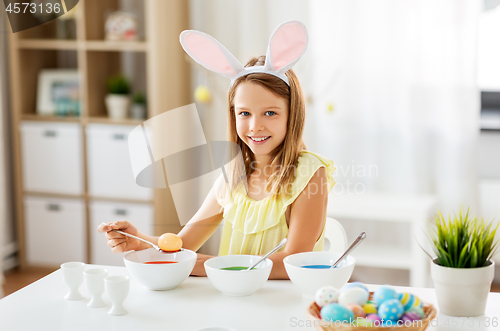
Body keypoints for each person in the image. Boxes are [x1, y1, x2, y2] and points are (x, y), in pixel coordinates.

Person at [98, 21, 335, 280]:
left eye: (270, 112)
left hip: (283, 305)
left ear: (293, 115)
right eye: (244, 113)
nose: (255, 126)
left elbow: (294, 261)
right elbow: (183, 244)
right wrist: (141, 241)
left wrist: (205, 265)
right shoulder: (232, 175)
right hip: (231, 298)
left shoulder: (310, 173)